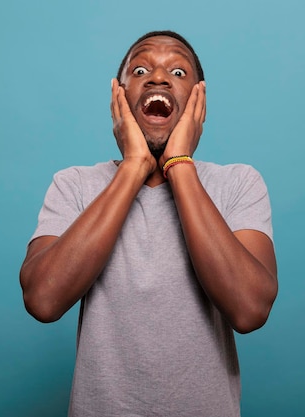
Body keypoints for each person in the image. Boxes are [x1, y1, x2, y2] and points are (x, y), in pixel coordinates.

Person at [20, 30, 278, 417]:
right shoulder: (73, 184)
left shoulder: (238, 183)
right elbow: (43, 300)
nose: (158, 78)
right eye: (140, 69)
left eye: (177, 71)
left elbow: (249, 310)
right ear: (118, 96)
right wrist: (134, 167)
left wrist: (179, 163)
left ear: (198, 100)